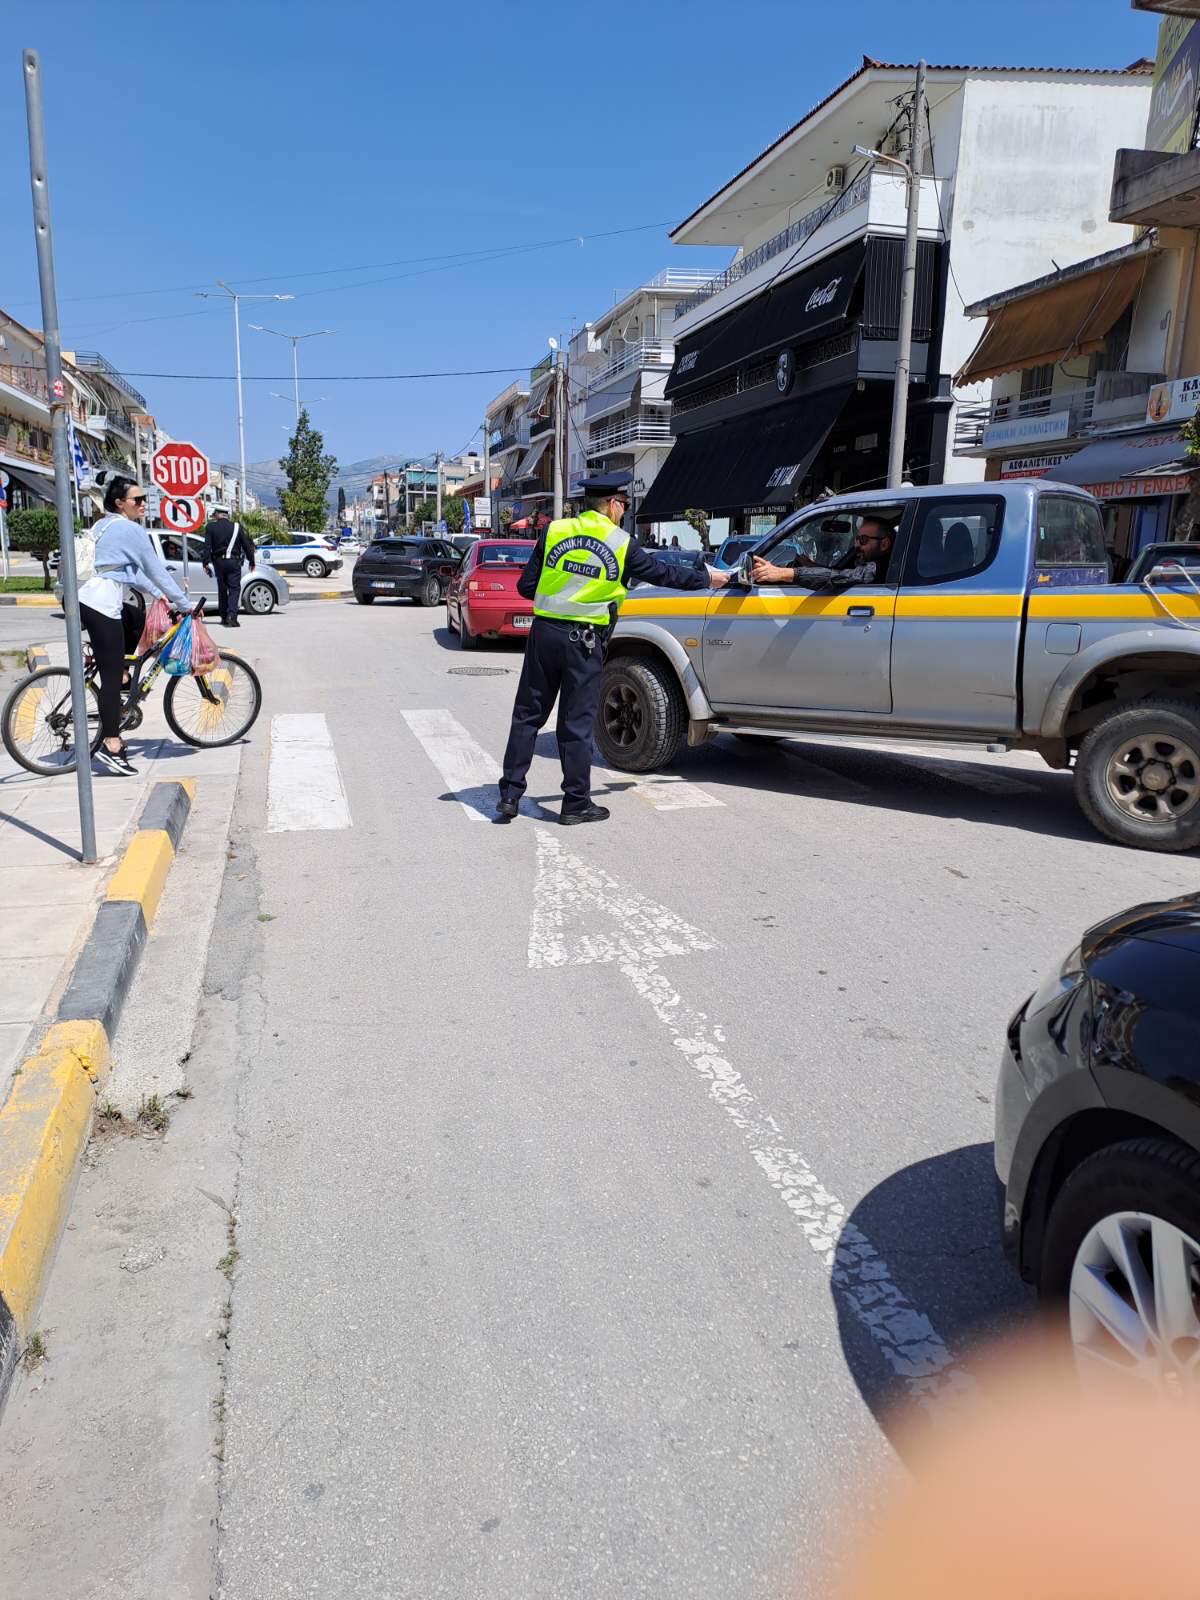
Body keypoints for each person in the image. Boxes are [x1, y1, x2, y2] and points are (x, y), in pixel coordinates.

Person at [496, 471, 730, 825]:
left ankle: (510, 796)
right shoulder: (621, 543)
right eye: (623, 505)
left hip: (544, 636)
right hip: (584, 642)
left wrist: (562, 592)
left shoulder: (555, 531)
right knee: (575, 725)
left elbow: (527, 588)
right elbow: (663, 574)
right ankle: (575, 804)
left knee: (527, 716)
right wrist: (705, 579)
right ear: (613, 504)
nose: (623, 511)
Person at [78, 473, 190, 777]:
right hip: (98, 602)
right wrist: (184, 604)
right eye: (137, 500)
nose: (143, 504)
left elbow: (130, 571)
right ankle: (111, 745)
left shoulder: (104, 525)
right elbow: (154, 568)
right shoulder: (129, 529)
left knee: (135, 618)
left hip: (86, 597)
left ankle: (125, 674)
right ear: (120, 503)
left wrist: (159, 596)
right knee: (111, 675)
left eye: (144, 499)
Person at [751, 515, 895, 587]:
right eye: (856, 539)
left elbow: (842, 577)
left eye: (863, 540)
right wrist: (811, 566)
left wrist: (784, 573)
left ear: (884, 544)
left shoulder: (882, 568)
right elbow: (839, 572)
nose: (857, 545)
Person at [202, 506, 257, 626]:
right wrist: (251, 561)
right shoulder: (237, 527)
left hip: (219, 563)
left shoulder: (211, 527)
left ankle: (223, 617)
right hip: (234, 562)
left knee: (222, 590)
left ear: (217, 514)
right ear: (227, 514)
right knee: (234, 589)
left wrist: (205, 563)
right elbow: (246, 545)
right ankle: (232, 616)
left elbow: (207, 546)